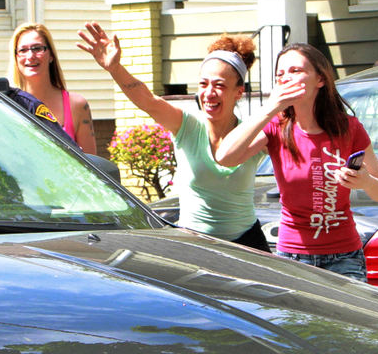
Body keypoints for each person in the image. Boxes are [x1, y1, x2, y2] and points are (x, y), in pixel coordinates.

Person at [77, 22, 270, 251]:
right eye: (203, 84)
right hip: (195, 242)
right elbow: (148, 101)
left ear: (239, 91)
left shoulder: (253, 132)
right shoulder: (187, 126)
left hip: (248, 245)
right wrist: (115, 68)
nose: (209, 93)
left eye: (219, 85)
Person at [216, 42, 378, 280]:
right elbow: (225, 157)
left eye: (295, 71)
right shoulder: (276, 126)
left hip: (344, 256)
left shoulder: (349, 127)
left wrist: (366, 181)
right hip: (293, 256)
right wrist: (270, 107)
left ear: (320, 79)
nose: (286, 78)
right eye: (280, 74)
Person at [11, 23, 97, 154]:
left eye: (37, 48)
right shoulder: (8, 104)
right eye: (23, 50)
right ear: (16, 57)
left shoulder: (77, 105)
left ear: (51, 55)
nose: (30, 56)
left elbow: (92, 167)